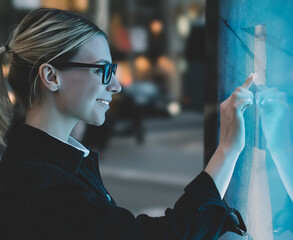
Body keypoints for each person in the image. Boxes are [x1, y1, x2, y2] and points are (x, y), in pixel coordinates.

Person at [0, 8, 254, 239]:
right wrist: (227, 150)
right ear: (51, 76)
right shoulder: (40, 183)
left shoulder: (46, 164)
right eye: (103, 71)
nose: (116, 86)